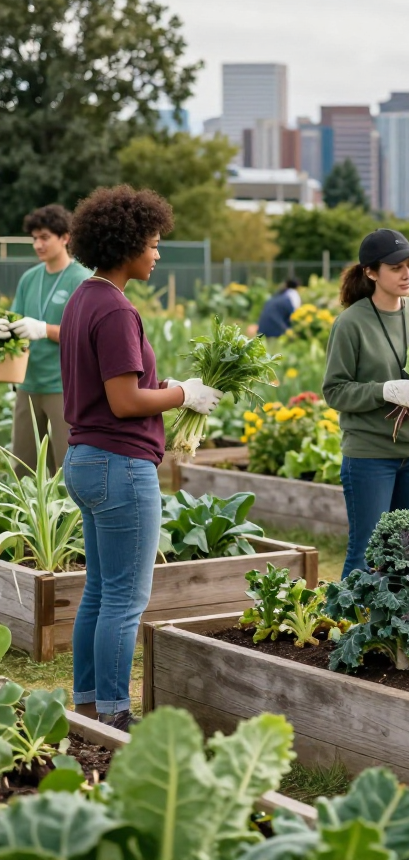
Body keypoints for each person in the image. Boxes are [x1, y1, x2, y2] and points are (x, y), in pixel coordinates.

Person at [60, 186, 223, 729]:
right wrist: (184, 395)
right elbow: (125, 400)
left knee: (100, 593)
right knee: (126, 600)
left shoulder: (85, 297)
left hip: (85, 458)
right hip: (119, 465)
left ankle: (87, 706)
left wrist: (170, 384)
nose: (157, 254)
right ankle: (114, 715)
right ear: (126, 244)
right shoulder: (115, 309)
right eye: (153, 244)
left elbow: (119, 385)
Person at [323, 229, 409, 577]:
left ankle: (402, 628)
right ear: (371, 272)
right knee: (366, 554)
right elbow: (335, 391)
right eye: (396, 268)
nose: (407, 274)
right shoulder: (350, 323)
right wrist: (384, 391)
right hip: (370, 456)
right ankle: (351, 626)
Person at [0, 205, 91, 475]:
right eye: (34, 238)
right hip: (28, 383)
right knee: (25, 466)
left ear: (65, 238)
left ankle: (68, 518)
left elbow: (86, 336)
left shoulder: (81, 279)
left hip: (64, 386)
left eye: (45, 237)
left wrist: (44, 329)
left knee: (68, 467)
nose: (38, 244)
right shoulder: (30, 278)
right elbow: (17, 320)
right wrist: (7, 328)